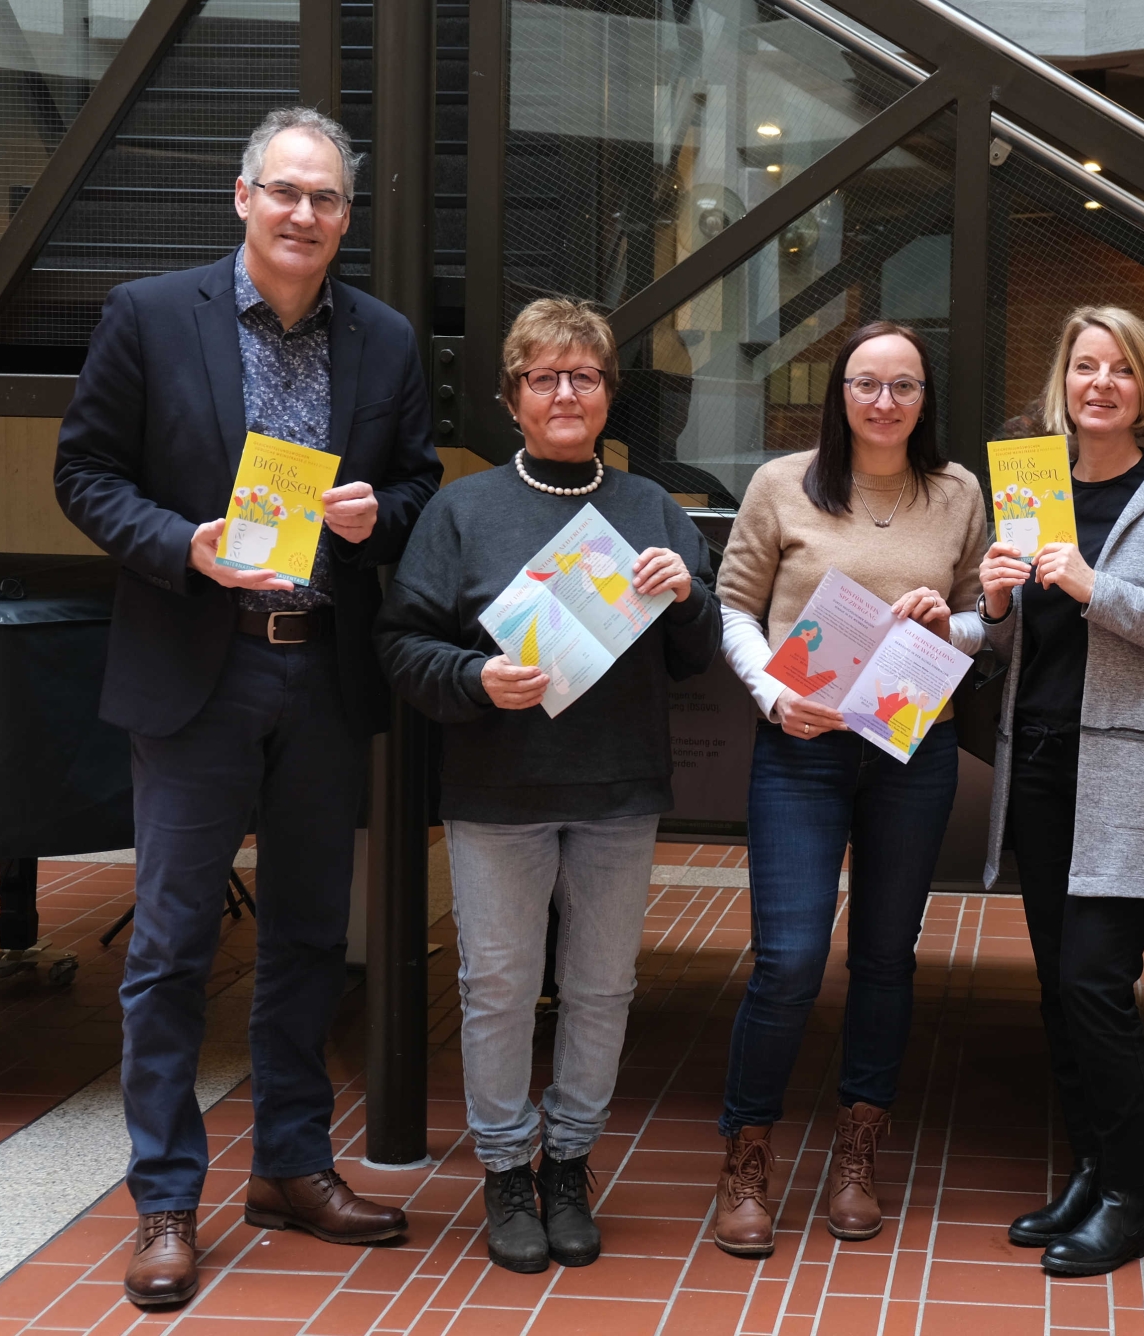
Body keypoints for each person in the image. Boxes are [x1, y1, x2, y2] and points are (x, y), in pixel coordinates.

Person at [52, 107, 440, 1308]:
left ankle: (288, 1165)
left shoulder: (382, 338)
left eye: (326, 200)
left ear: (344, 218)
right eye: (285, 192)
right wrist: (184, 545)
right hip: (196, 663)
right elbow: (84, 473)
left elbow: (423, 479)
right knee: (169, 948)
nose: (304, 216)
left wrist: (388, 515)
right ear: (241, 197)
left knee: (314, 940)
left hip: (319, 669)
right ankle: (166, 1197)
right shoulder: (150, 317)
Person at [374, 299, 720, 1273]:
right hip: (497, 789)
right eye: (544, 377)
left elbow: (698, 659)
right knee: (496, 989)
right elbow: (402, 643)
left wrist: (690, 595)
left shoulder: (651, 510)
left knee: (605, 988)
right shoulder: (462, 509)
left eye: (586, 376)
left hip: (619, 790)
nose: (566, 393)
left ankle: (567, 1164)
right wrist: (472, 678)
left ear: (610, 395)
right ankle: (501, 1171)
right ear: (513, 398)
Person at [712, 321, 989, 1256]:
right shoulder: (780, 484)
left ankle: (857, 1153)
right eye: (866, 383)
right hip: (802, 745)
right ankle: (747, 1152)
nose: (884, 401)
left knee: (884, 956)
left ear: (924, 398)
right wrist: (771, 691)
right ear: (839, 393)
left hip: (914, 749)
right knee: (789, 959)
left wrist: (946, 620)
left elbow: (984, 621)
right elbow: (733, 608)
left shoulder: (957, 493)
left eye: (903, 385)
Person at [978, 306, 1144, 1277]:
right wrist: (995, 601)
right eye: (1084, 365)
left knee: (1096, 982)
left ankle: (1129, 1199)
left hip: (1129, 769)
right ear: (1064, 380)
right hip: (1041, 765)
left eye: (1119, 369)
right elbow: (1009, 649)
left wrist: (1098, 588)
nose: (1099, 383)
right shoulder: (1032, 480)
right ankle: (1092, 1172)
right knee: (1059, 988)